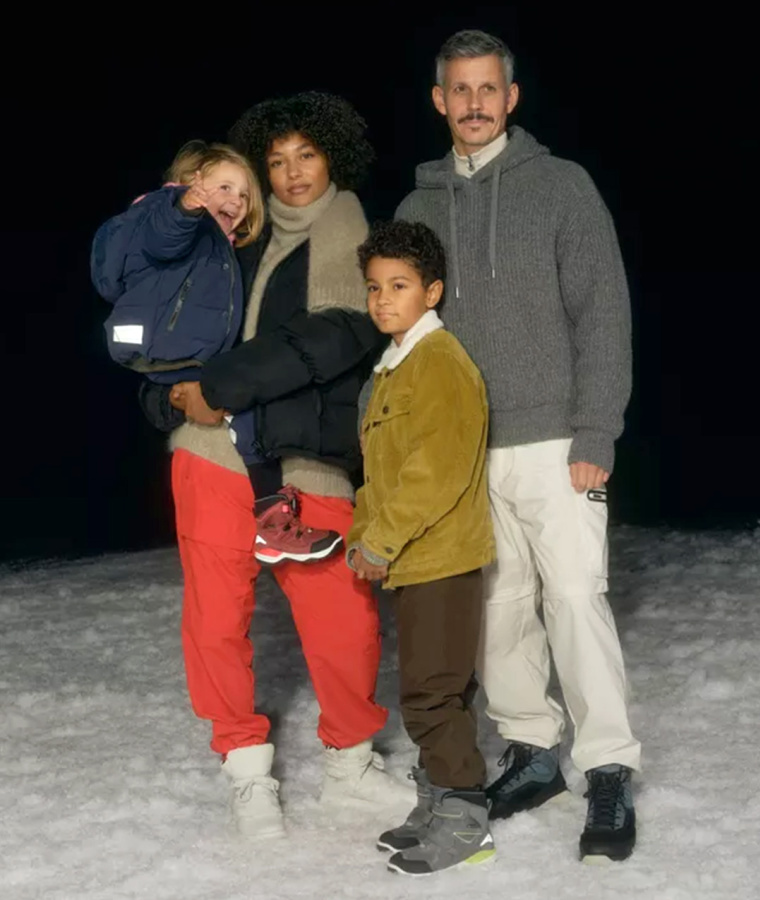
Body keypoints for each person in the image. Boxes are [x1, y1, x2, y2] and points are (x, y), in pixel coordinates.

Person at [395, 30, 642, 862]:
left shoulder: (562, 186)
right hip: (468, 453)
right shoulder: (417, 209)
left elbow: (602, 313)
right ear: (440, 100)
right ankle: (532, 752)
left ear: (510, 97)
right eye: (459, 89)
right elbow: (409, 336)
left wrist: (595, 429)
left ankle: (606, 767)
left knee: (573, 598)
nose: (474, 103)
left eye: (487, 88)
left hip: (558, 440)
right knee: (497, 610)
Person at [139, 92, 414, 839]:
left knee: (343, 619)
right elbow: (166, 338)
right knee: (214, 622)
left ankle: (350, 765)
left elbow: (333, 334)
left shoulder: (353, 235)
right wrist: (168, 400)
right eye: (278, 159)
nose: (293, 173)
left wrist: (218, 386)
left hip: (306, 461)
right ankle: (245, 770)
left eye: (307, 155)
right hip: (211, 458)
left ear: (333, 158)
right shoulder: (230, 238)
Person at [92, 141, 343, 567]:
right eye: (224, 187)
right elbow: (159, 238)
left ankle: (270, 521)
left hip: (184, 357)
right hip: (175, 353)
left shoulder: (220, 247)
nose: (236, 200)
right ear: (192, 183)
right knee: (245, 412)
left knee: (245, 419)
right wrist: (184, 207)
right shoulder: (170, 213)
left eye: (244, 194)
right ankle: (273, 520)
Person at [348, 220, 496, 875]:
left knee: (432, 695)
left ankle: (465, 822)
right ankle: (437, 803)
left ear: (431, 292)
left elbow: (436, 471)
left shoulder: (439, 361)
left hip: (441, 557)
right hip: (414, 558)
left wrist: (381, 540)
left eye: (399, 285)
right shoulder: (396, 365)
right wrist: (364, 535)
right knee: (432, 689)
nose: (383, 299)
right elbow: (381, 471)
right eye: (374, 287)